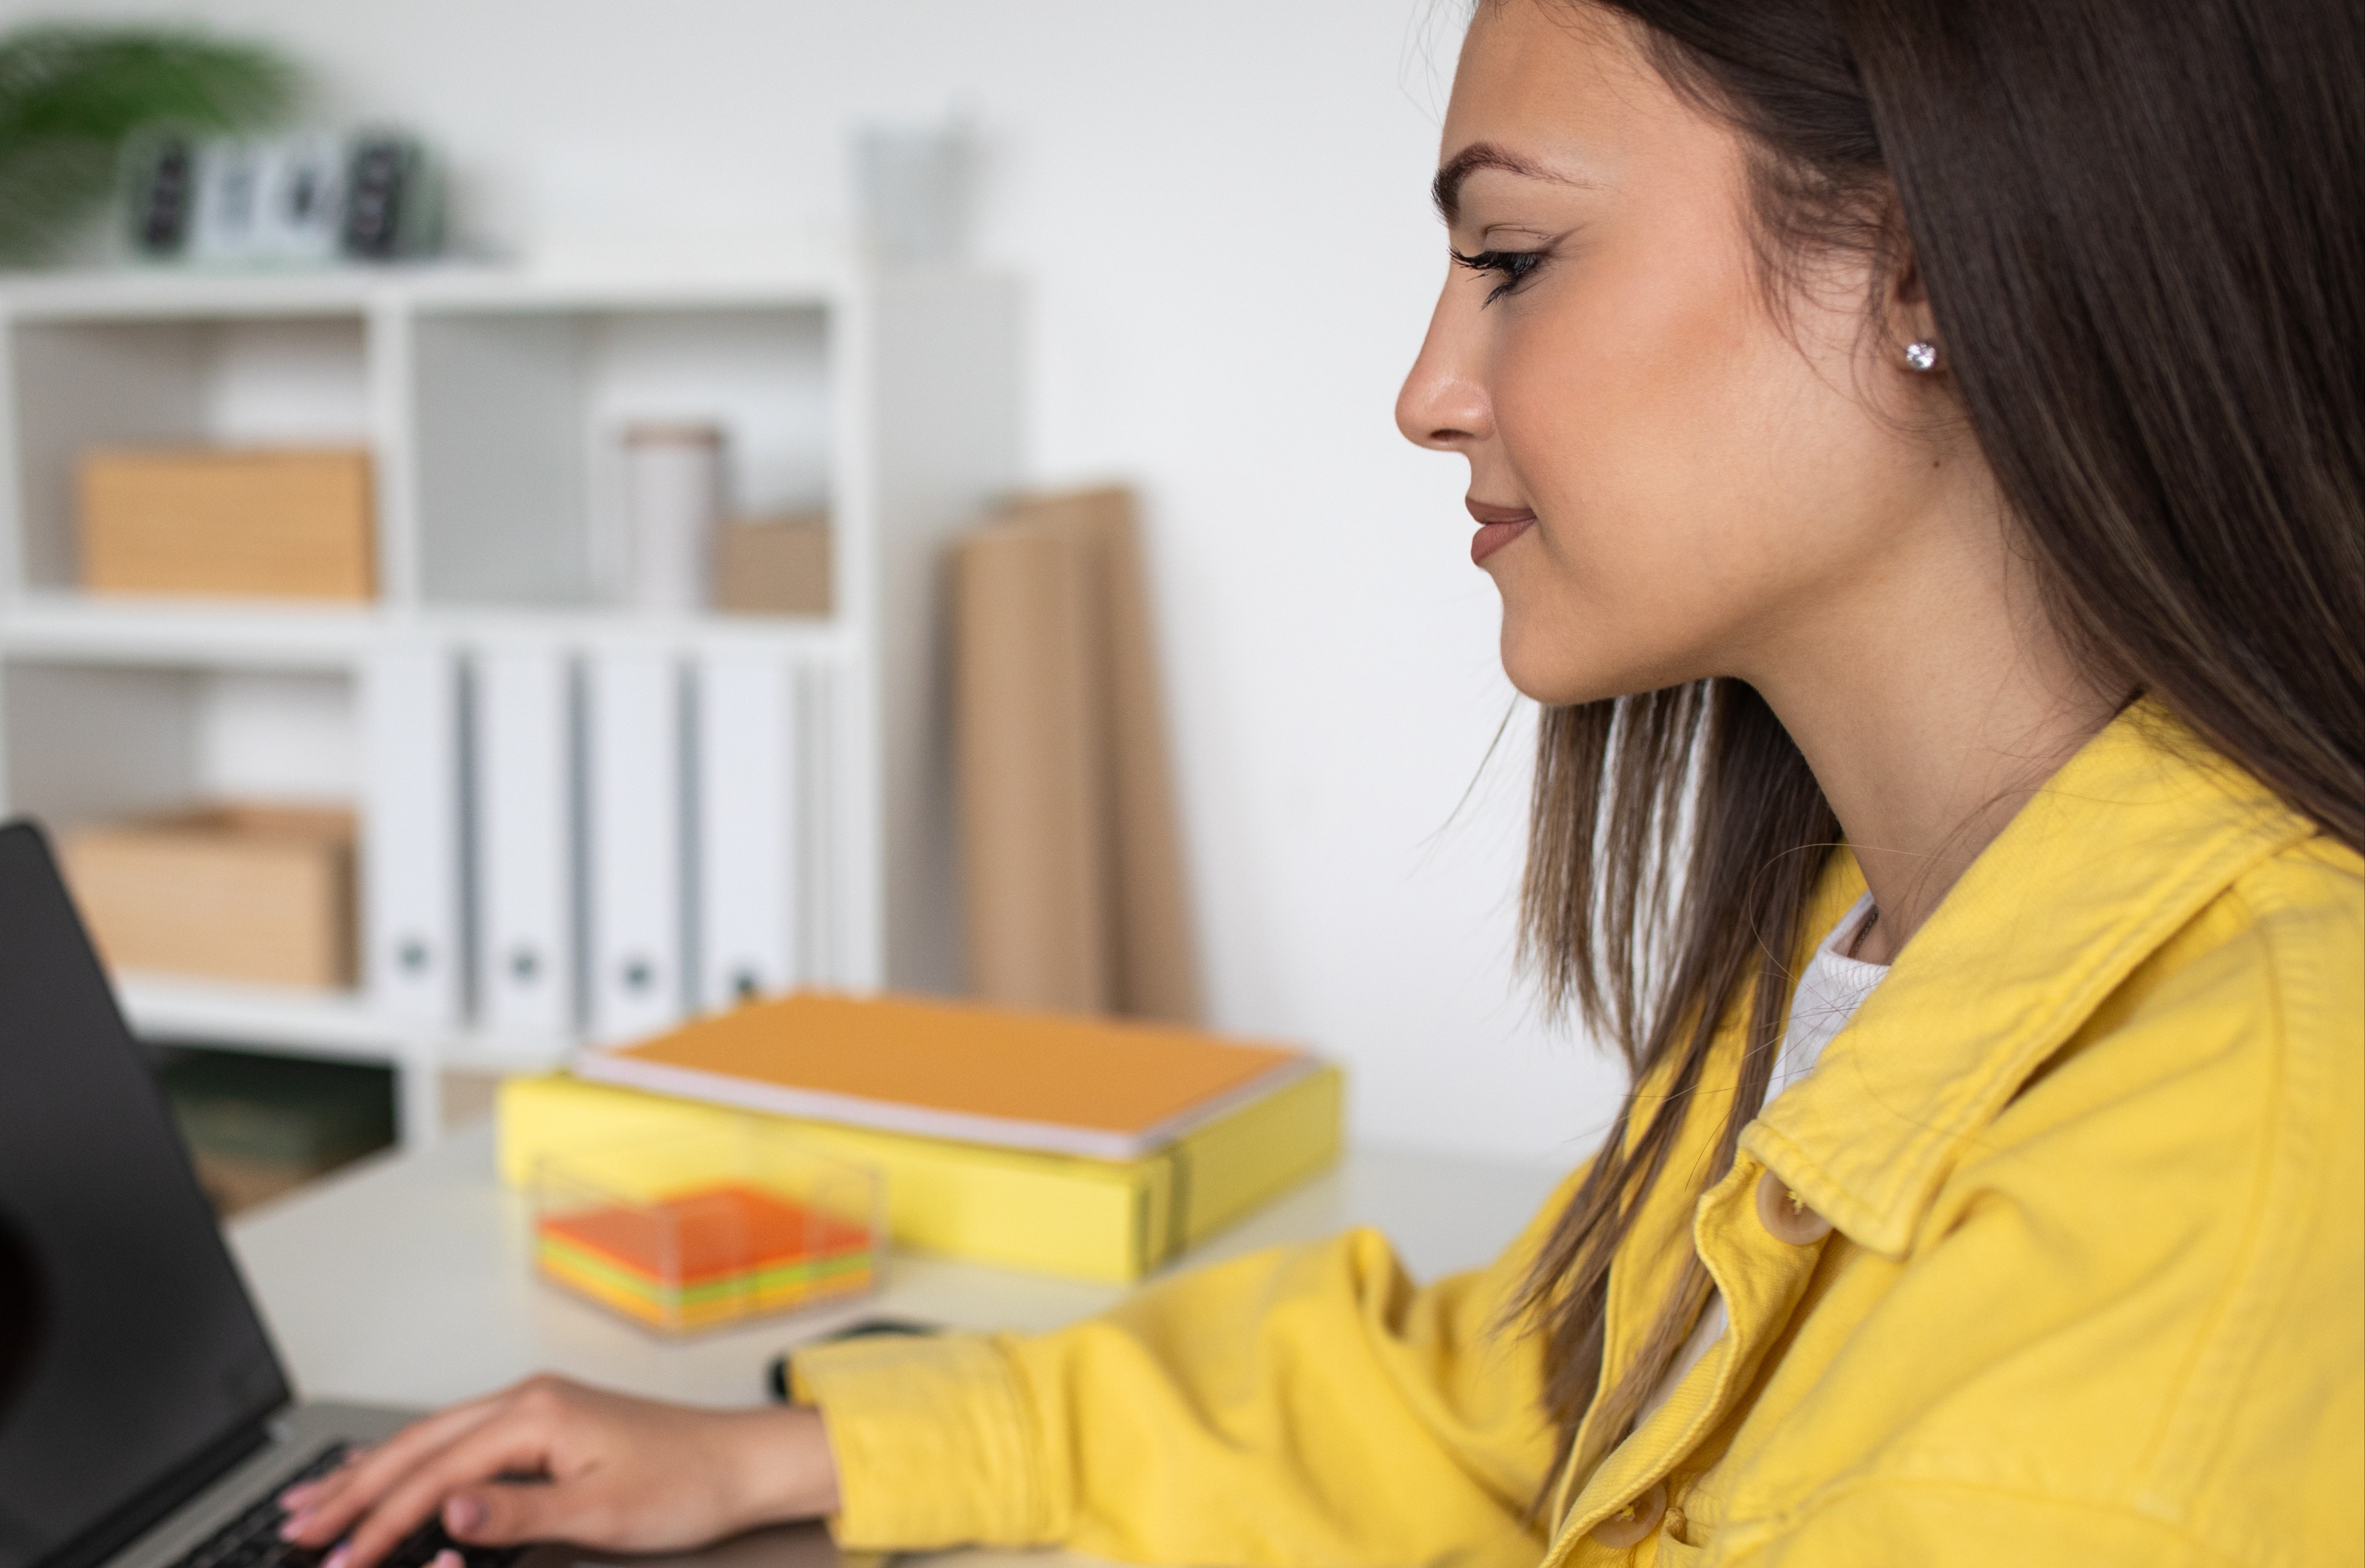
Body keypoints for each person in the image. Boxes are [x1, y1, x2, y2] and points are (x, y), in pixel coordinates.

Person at [276, 0, 2364, 1561]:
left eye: (1513, 258)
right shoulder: (1889, 940)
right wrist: (816, 1452)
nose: (1423, 389)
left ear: (1917, 266)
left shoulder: (2195, 1232)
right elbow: (1529, 1392)